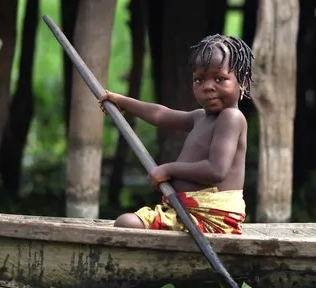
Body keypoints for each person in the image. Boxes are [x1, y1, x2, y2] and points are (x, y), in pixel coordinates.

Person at [97, 34, 253, 235]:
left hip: (210, 217)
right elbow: (161, 115)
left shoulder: (231, 117)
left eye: (219, 78)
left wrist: (169, 169)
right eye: (199, 79)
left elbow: (216, 170)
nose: (208, 86)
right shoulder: (200, 117)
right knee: (126, 222)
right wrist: (122, 102)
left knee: (127, 223)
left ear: (244, 83)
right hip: (186, 213)